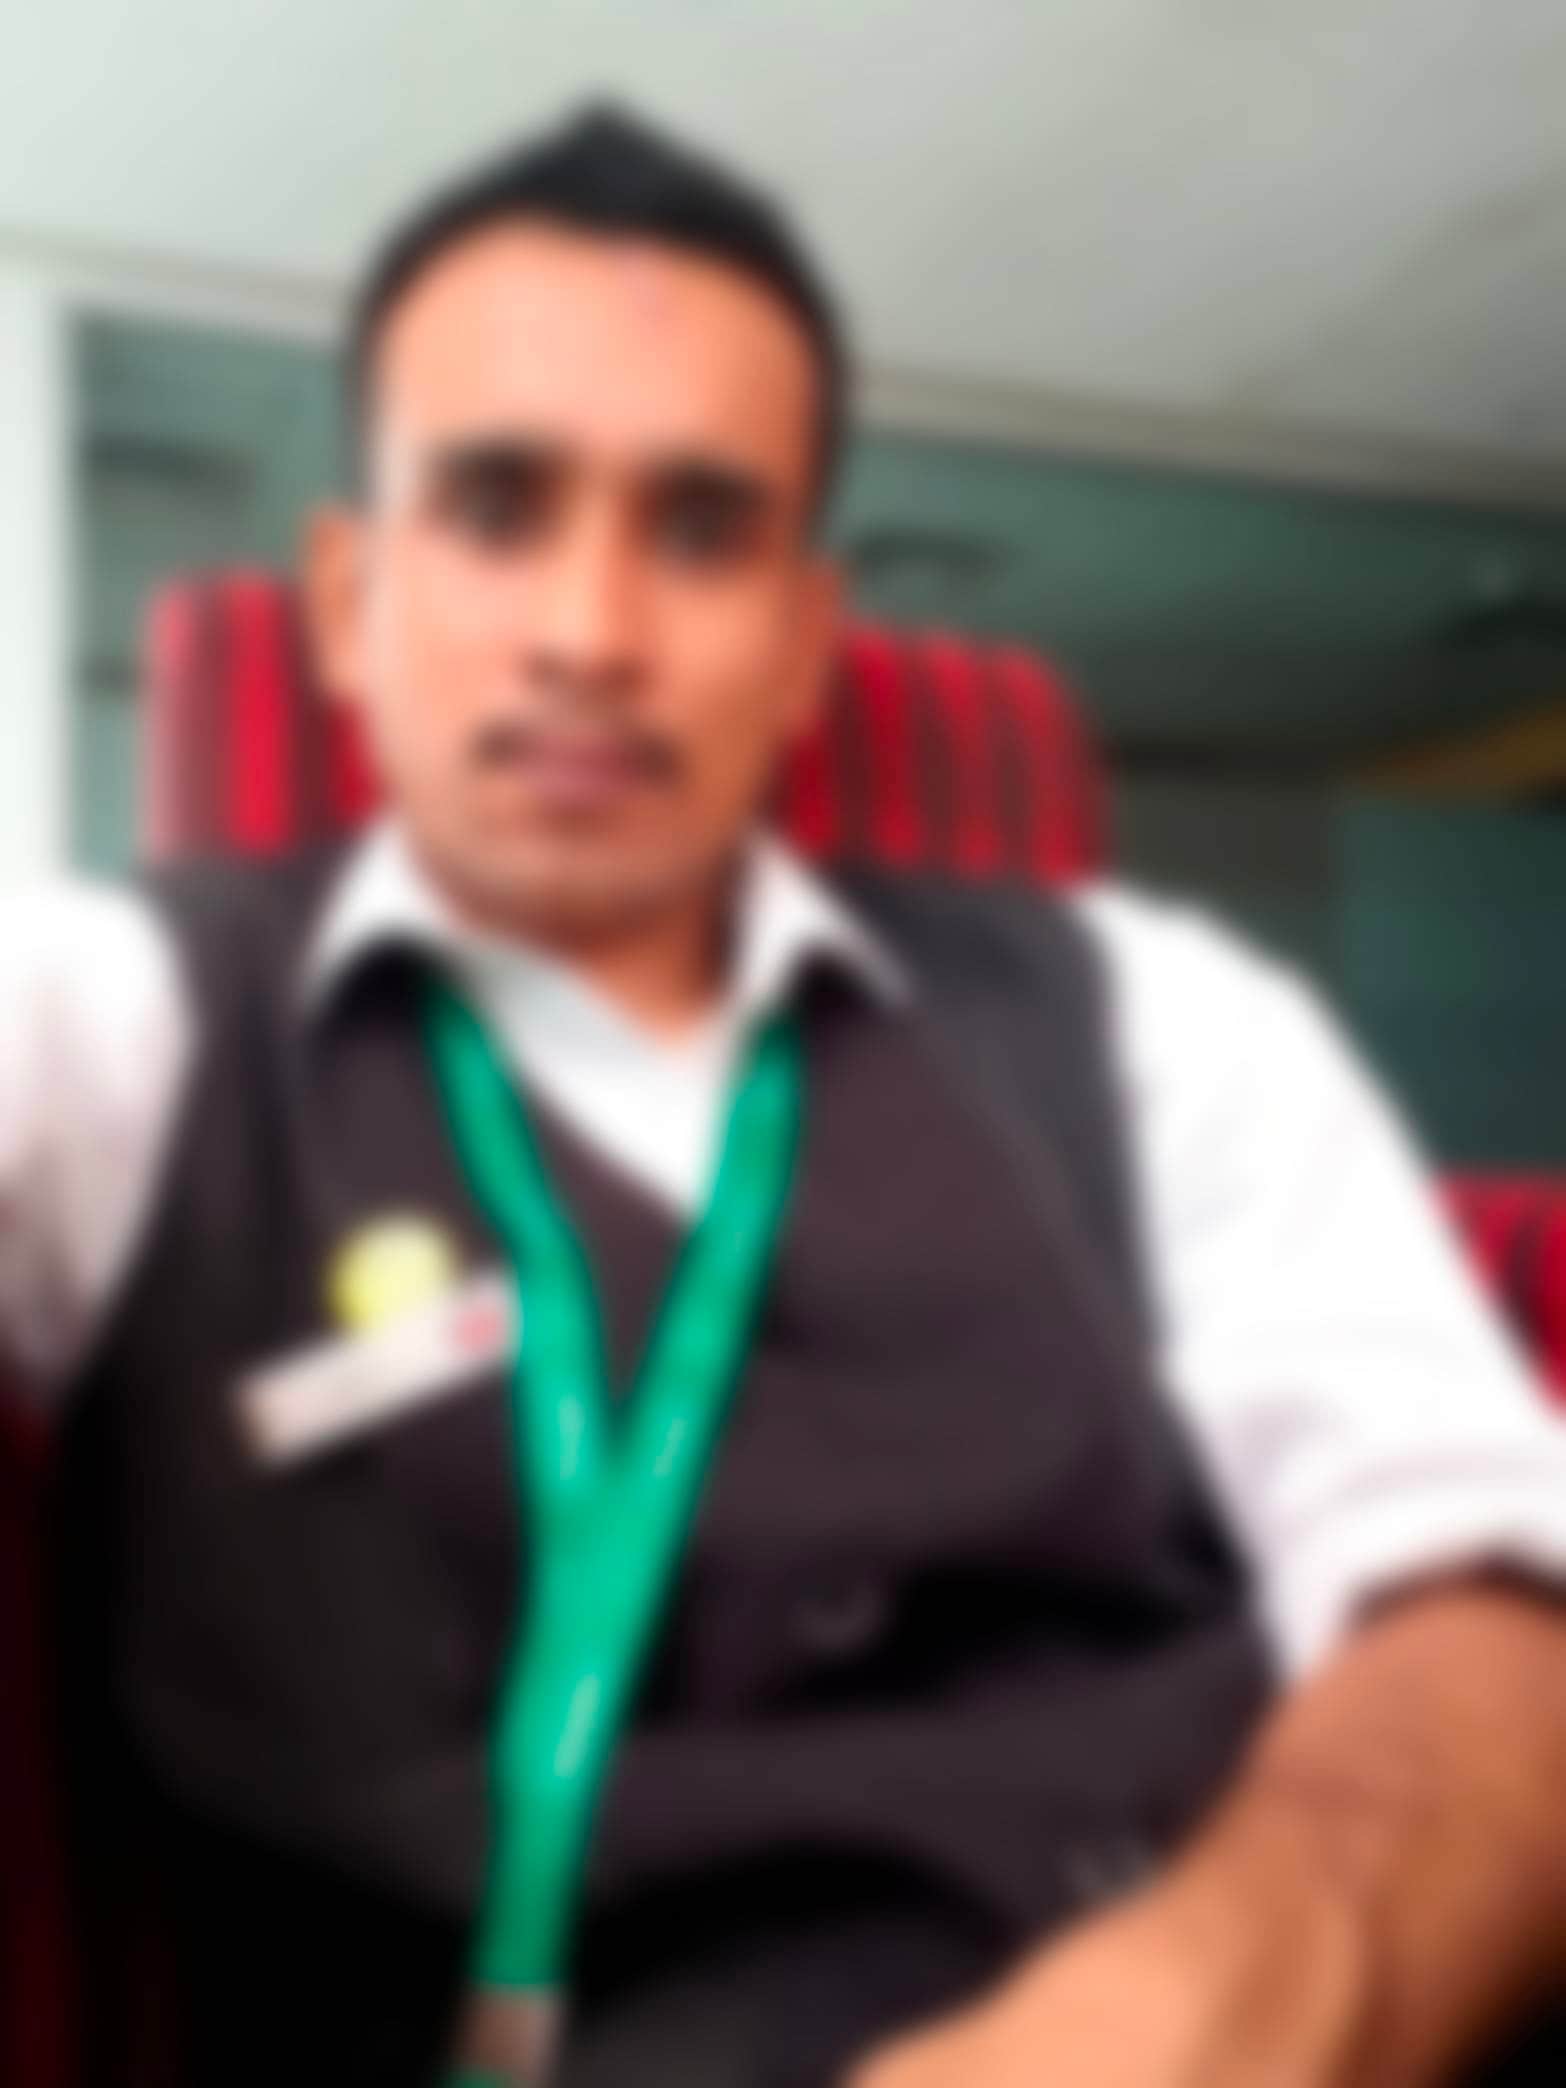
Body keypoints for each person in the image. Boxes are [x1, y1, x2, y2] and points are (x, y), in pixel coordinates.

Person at [3, 104, 1566, 2088]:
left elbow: (1493, 1610)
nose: (590, 633)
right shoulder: (116, 1015)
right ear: (343, 596)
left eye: (701, 530)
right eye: (494, 506)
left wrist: (1189, 2024)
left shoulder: (1158, 1013)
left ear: (809, 639)